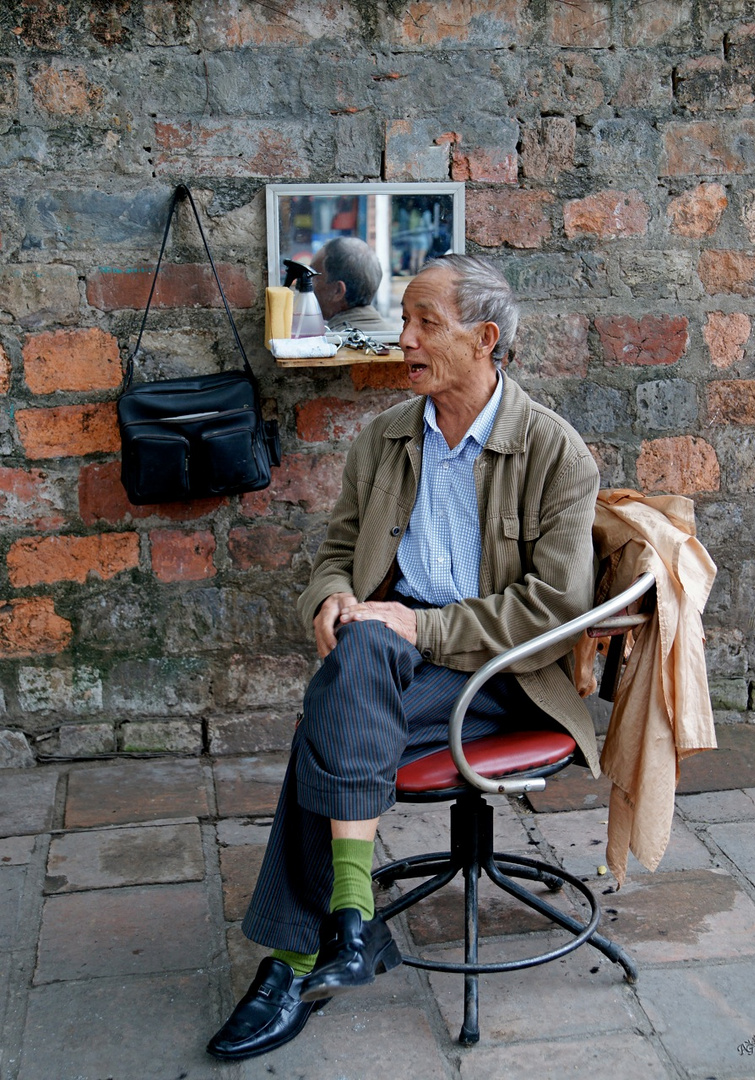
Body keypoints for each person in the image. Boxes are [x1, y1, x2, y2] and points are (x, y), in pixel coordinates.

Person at [207, 254, 601, 1061]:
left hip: (504, 674)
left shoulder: (555, 452)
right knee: (355, 657)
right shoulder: (384, 439)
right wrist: (328, 600)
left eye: (426, 322)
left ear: (484, 338)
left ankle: (297, 954)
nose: (404, 338)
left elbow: (555, 611)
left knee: (333, 705)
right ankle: (346, 928)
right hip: (394, 650)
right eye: (404, 319)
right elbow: (338, 552)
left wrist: (414, 630)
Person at [310, 236, 393, 332]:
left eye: (313, 277)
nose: (307, 286)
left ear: (337, 291)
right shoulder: (396, 337)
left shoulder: (332, 342)